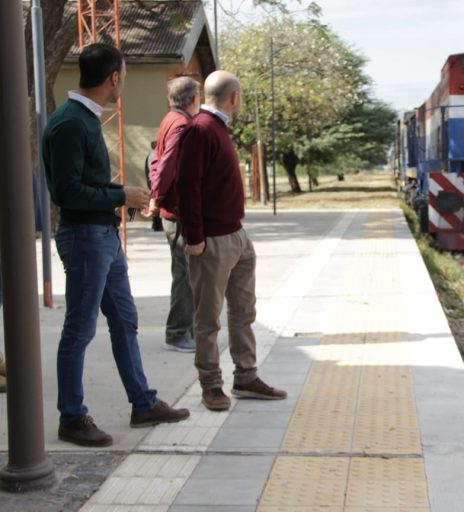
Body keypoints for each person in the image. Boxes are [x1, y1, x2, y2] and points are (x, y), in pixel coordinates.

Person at [42, 43, 189, 447]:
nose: (123, 80)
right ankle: (71, 417)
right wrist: (120, 195)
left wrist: (123, 194)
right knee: (79, 329)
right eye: (124, 74)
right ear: (114, 78)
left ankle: (143, 403)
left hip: (102, 236)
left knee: (125, 321)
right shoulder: (71, 122)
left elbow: (84, 184)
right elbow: (68, 192)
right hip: (85, 238)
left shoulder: (84, 118)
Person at [176, 70, 286, 411]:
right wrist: (194, 237)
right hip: (211, 241)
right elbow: (186, 187)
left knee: (243, 311)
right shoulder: (200, 130)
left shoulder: (218, 129)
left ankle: (246, 376)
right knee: (208, 319)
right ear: (234, 97)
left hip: (236, 235)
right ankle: (211, 385)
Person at [145, 77, 200, 353]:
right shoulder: (182, 125)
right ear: (193, 100)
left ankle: (185, 330)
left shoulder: (170, 119)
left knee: (184, 271)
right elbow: (166, 165)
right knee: (185, 273)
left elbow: (157, 158)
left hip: (171, 208)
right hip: (177, 211)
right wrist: (156, 197)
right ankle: (178, 333)